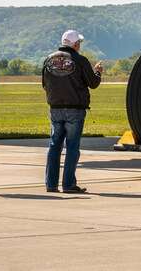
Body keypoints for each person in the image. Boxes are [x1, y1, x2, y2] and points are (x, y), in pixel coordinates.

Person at [41, 30, 103, 193]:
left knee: (54, 146)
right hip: (75, 110)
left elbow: (44, 84)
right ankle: (68, 184)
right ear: (75, 44)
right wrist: (98, 72)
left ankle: (51, 184)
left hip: (55, 109)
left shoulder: (48, 59)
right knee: (72, 147)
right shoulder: (80, 60)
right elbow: (93, 83)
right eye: (79, 44)